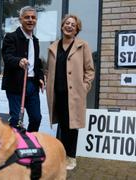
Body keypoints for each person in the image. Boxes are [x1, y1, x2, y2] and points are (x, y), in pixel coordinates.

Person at [46, 14, 95, 170]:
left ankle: (71, 157)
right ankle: (61, 155)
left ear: (77, 29)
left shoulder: (83, 46)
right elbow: (48, 69)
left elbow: (89, 70)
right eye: (67, 23)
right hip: (57, 93)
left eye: (73, 25)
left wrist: (84, 87)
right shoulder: (53, 46)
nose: (69, 26)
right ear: (62, 26)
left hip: (73, 94)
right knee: (61, 124)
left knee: (71, 126)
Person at [2, 6, 45, 132]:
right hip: (15, 84)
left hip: (32, 85)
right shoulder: (11, 37)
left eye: (33, 17)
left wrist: (41, 77)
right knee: (16, 119)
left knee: (36, 118)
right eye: (27, 17)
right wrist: (19, 61)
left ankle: (29, 143)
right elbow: (7, 57)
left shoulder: (35, 41)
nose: (30, 20)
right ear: (20, 19)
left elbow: (37, 63)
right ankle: (15, 146)